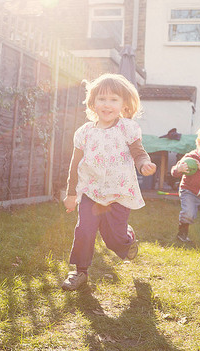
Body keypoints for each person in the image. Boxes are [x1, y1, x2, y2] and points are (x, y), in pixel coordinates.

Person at [62, 73, 157, 291]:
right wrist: (71, 194)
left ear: (124, 104)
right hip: (91, 192)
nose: (107, 105)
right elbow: (75, 164)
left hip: (119, 193)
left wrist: (144, 164)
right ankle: (79, 271)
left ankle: (128, 239)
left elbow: (138, 152)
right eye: (102, 99)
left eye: (114, 100)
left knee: (113, 240)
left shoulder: (127, 128)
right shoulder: (84, 133)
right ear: (93, 102)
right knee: (84, 229)